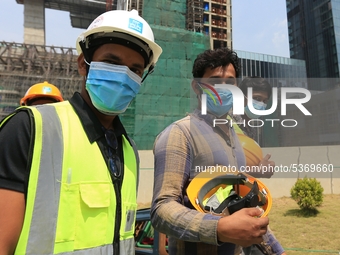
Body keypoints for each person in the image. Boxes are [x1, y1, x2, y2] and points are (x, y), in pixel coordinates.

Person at [0, 9, 162, 255]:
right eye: (111, 62)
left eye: (135, 70)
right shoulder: (28, 129)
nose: (123, 76)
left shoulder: (128, 150)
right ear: (83, 64)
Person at [151, 48, 285, 255]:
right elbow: (162, 210)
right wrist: (219, 228)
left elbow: (240, 204)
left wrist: (277, 250)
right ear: (197, 87)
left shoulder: (235, 140)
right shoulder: (180, 134)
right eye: (214, 81)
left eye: (230, 82)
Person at [232, 77, 285, 255]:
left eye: (264, 101)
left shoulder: (251, 127)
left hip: (244, 202)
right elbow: (219, 170)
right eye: (256, 98)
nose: (260, 104)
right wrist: (257, 170)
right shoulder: (227, 123)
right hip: (226, 209)